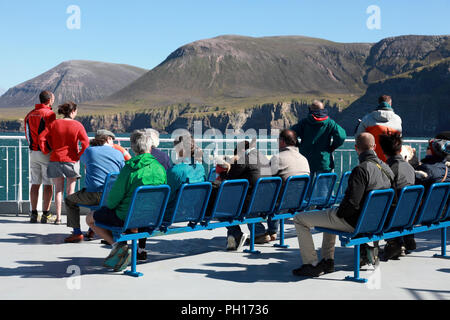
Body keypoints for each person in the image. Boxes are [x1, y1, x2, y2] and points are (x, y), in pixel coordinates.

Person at [292, 133, 394, 278]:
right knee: (330, 215)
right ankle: (328, 260)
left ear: (356, 148)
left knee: (300, 219)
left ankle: (311, 264)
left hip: (355, 222)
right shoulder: (387, 169)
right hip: (374, 221)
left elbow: (352, 203)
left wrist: (338, 213)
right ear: (375, 147)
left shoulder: (361, 170)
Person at [86, 130, 167, 272]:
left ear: (134, 148)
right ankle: (122, 248)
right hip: (151, 217)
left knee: (90, 218)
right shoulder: (160, 169)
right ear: (149, 147)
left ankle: (118, 245)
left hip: (127, 218)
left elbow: (112, 202)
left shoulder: (129, 169)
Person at [136, 134, 205, 261]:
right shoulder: (200, 168)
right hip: (193, 211)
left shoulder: (175, 171)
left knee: (144, 207)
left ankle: (140, 249)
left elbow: (163, 195)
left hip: (173, 214)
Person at [63, 130, 125, 243]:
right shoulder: (118, 153)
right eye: (113, 139)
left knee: (69, 200)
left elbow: (83, 161)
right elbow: (123, 170)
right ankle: (101, 230)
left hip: (94, 195)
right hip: (112, 197)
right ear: (108, 139)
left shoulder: (89, 151)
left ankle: (77, 233)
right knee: (97, 197)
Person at [38, 101, 89, 225]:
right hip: (71, 160)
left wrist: (45, 150)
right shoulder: (78, 125)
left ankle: (58, 218)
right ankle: (70, 219)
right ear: (72, 111)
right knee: (70, 192)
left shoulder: (54, 123)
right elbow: (86, 143)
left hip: (55, 159)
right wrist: (79, 155)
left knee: (58, 190)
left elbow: (41, 138)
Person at [218, 139, 274, 250]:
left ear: (242, 150)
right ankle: (259, 232)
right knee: (249, 198)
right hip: (267, 201)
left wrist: (228, 166)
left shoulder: (246, 158)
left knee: (220, 208)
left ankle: (236, 235)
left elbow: (229, 178)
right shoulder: (262, 157)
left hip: (252, 202)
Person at [378, 133, 416, 261]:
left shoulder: (388, 169)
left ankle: (393, 243)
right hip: (410, 215)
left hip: (394, 216)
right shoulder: (410, 168)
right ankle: (404, 239)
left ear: (383, 152)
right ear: (400, 150)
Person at [24, 91, 56, 223]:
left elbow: (27, 134)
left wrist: (32, 146)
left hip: (33, 152)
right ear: (49, 100)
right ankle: (46, 214)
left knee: (35, 183)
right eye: (53, 98)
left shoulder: (30, 114)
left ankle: (33, 213)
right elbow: (52, 133)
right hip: (46, 153)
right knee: (48, 185)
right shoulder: (49, 114)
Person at [291, 100, 346, 177]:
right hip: (323, 161)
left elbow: (290, 134)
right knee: (323, 188)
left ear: (311, 110)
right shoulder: (330, 123)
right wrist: (333, 146)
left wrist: (297, 145)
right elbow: (341, 136)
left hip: (305, 161)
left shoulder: (304, 122)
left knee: (305, 187)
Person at [355, 95, 402, 162]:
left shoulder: (367, 119)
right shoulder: (397, 120)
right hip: (391, 161)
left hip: (371, 161)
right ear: (390, 104)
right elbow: (399, 140)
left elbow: (358, 138)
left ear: (379, 103)